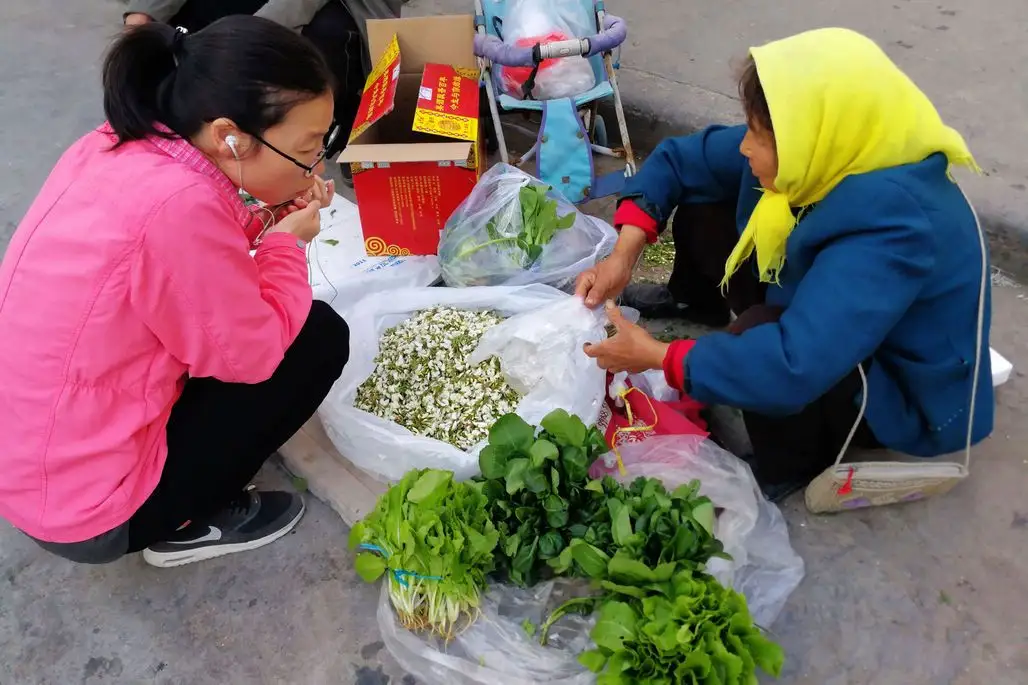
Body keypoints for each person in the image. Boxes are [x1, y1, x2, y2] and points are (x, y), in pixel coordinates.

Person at [577, 28, 994, 501]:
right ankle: (696, 299)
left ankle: (793, 460)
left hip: (895, 389)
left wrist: (658, 357)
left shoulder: (894, 224)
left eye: (759, 135)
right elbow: (678, 161)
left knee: (762, 331)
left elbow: (794, 363)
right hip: (838, 308)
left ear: (808, 135)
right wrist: (623, 256)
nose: (745, 146)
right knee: (710, 197)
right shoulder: (823, 151)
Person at [0, 16, 350, 567]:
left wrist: (261, 218)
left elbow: (175, 264)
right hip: (89, 514)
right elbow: (252, 355)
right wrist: (285, 243)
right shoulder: (179, 209)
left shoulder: (118, 143)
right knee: (318, 338)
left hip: (29, 464)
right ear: (230, 137)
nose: (317, 164)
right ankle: (184, 522)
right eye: (307, 150)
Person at [122, 0, 410, 183]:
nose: (318, 173)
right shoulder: (193, 207)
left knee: (327, 32)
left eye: (312, 149)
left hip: (329, 7)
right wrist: (143, 13)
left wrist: (245, 38)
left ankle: (347, 131)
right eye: (309, 149)